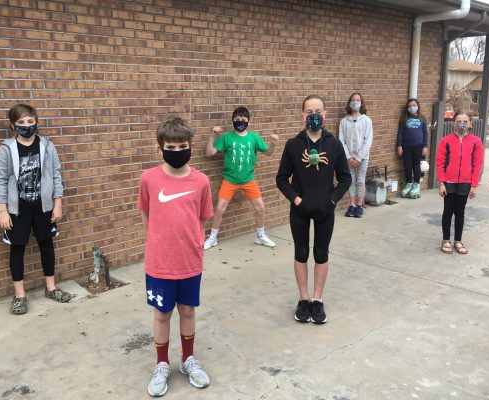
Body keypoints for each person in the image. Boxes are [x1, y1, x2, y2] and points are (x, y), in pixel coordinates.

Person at [138, 116, 213, 397]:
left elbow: (202, 218)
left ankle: (188, 359)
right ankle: (161, 364)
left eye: (182, 146)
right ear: (160, 148)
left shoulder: (201, 181)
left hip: (190, 261)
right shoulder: (149, 178)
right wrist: (159, 242)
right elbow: (146, 214)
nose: (177, 150)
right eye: (171, 146)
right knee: (162, 314)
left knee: (188, 311)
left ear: (191, 146)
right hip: (160, 263)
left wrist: (191, 242)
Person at [276, 95, 351, 324]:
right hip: (300, 210)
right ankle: (304, 299)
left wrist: (332, 200)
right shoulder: (293, 144)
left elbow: (345, 178)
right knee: (301, 253)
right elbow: (281, 179)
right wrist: (297, 200)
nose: (314, 115)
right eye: (309, 111)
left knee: (321, 253)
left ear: (325, 114)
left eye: (318, 111)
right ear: (303, 115)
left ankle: (317, 300)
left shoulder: (334, 145)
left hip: (325, 210)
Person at [0, 104, 71, 315]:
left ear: (36, 122)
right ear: (13, 125)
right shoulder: (6, 149)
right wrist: (3, 210)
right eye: (21, 122)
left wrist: (57, 204)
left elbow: (56, 175)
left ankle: (51, 288)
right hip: (17, 208)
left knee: (46, 245)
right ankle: (19, 296)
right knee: (17, 248)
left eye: (30, 121)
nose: (26, 125)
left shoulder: (47, 146)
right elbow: (0, 180)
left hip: (43, 206)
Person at [203, 106, 279, 250]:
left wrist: (273, 144)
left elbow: (268, 153)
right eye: (237, 119)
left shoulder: (254, 137)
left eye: (243, 119)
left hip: (248, 180)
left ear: (248, 121)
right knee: (219, 208)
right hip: (229, 180)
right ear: (233, 120)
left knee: (260, 208)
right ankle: (212, 238)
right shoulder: (226, 137)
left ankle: (260, 236)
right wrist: (213, 136)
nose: (240, 121)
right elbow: (209, 153)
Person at [435, 110, 483, 255]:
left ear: (470, 124)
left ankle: (458, 240)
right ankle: (445, 240)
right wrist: (441, 183)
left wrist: (473, 185)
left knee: (460, 212)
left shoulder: (476, 142)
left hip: (465, 183)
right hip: (449, 182)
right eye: (459, 121)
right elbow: (440, 162)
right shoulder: (445, 141)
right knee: (448, 211)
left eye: (465, 121)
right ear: (453, 123)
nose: (462, 124)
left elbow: (477, 164)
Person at [338, 92, 373, 218]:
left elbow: (368, 140)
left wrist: (358, 157)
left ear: (361, 103)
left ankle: (359, 206)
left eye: (358, 100)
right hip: (348, 158)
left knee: (360, 180)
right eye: (353, 100)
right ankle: (352, 205)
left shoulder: (366, 120)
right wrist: (348, 157)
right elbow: (341, 140)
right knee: (351, 180)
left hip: (362, 157)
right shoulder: (344, 121)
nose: (355, 102)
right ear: (349, 103)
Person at [397, 98, 428, 199]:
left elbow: (425, 133)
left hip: (418, 146)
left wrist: (425, 146)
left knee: (416, 166)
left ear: (418, 106)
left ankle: (416, 184)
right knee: (407, 166)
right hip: (406, 146)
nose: (412, 107)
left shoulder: (422, 118)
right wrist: (399, 145)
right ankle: (409, 183)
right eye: (410, 106)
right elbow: (400, 133)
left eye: (414, 105)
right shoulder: (404, 119)